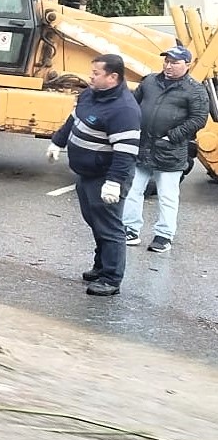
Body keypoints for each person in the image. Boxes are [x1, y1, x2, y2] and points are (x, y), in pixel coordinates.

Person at [46, 53, 141, 296]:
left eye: (96, 73)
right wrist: (58, 142)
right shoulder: (90, 94)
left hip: (105, 176)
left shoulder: (124, 110)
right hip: (86, 174)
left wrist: (114, 183)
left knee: (110, 227)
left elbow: (126, 151)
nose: (91, 76)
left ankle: (111, 279)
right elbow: (74, 119)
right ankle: (100, 267)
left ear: (113, 77)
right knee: (95, 221)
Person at [121, 44, 209, 253]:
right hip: (143, 146)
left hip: (170, 150)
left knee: (167, 195)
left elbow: (198, 119)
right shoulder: (150, 81)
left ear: (187, 65)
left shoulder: (195, 90)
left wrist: (173, 137)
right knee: (133, 190)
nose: (168, 66)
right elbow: (133, 104)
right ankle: (130, 230)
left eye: (174, 62)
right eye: (166, 61)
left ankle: (164, 235)